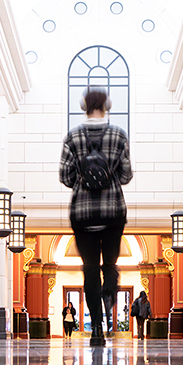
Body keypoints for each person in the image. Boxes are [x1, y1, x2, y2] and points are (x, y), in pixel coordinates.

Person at [59, 87, 133, 347]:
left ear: (83, 106)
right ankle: (109, 290)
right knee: (109, 265)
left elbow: (65, 177)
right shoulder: (118, 135)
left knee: (89, 271)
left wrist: (83, 177)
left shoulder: (73, 136)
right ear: (108, 105)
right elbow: (126, 175)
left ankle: (97, 329)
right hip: (113, 211)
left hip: (82, 213)